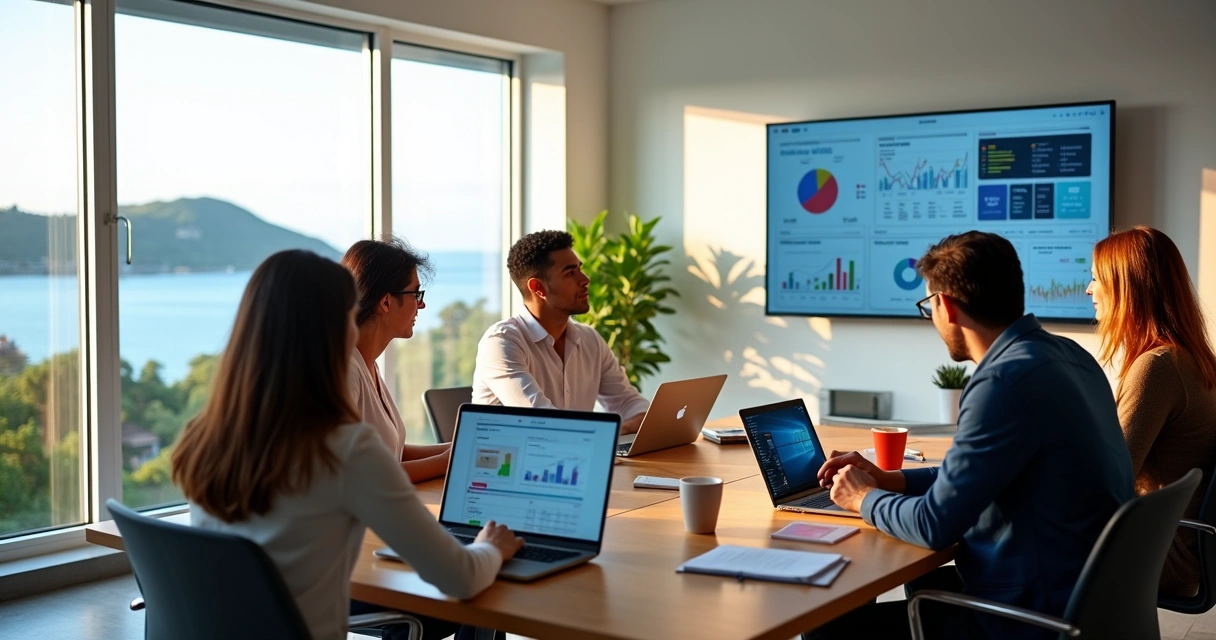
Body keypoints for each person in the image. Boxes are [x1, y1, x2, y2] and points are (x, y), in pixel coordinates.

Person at [171, 250, 523, 640]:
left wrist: (454, 453)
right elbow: (461, 578)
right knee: (480, 596)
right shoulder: (343, 447)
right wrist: (491, 546)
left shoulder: (205, 435)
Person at [808, 231, 1133, 640]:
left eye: (929, 307)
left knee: (828, 623)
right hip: (1084, 597)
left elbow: (933, 526)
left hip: (1031, 615)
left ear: (946, 306)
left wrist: (862, 498)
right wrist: (893, 480)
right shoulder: (1069, 356)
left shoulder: (1002, 380)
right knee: (923, 588)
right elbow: (984, 469)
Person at [1087, 226, 1216, 598]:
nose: (1089, 289)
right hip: (1181, 544)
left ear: (1128, 288)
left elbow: (1111, 479)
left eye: (1096, 278)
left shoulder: (1157, 367)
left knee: (1000, 548)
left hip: (1160, 552)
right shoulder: (1189, 358)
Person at [472, 229, 649, 433]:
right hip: (510, 463)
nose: (585, 280)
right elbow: (545, 423)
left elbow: (627, 403)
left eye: (580, 269)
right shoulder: (501, 343)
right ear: (538, 287)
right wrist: (622, 428)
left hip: (572, 460)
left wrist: (642, 420)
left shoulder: (590, 340)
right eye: (570, 273)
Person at [342, 238, 451, 484]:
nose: (421, 304)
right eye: (416, 293)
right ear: (386, 302)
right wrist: (447, 460)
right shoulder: (344, 370)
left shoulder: (367, 364)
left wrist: (458, 448)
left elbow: (390, 452)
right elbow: (355, 476)